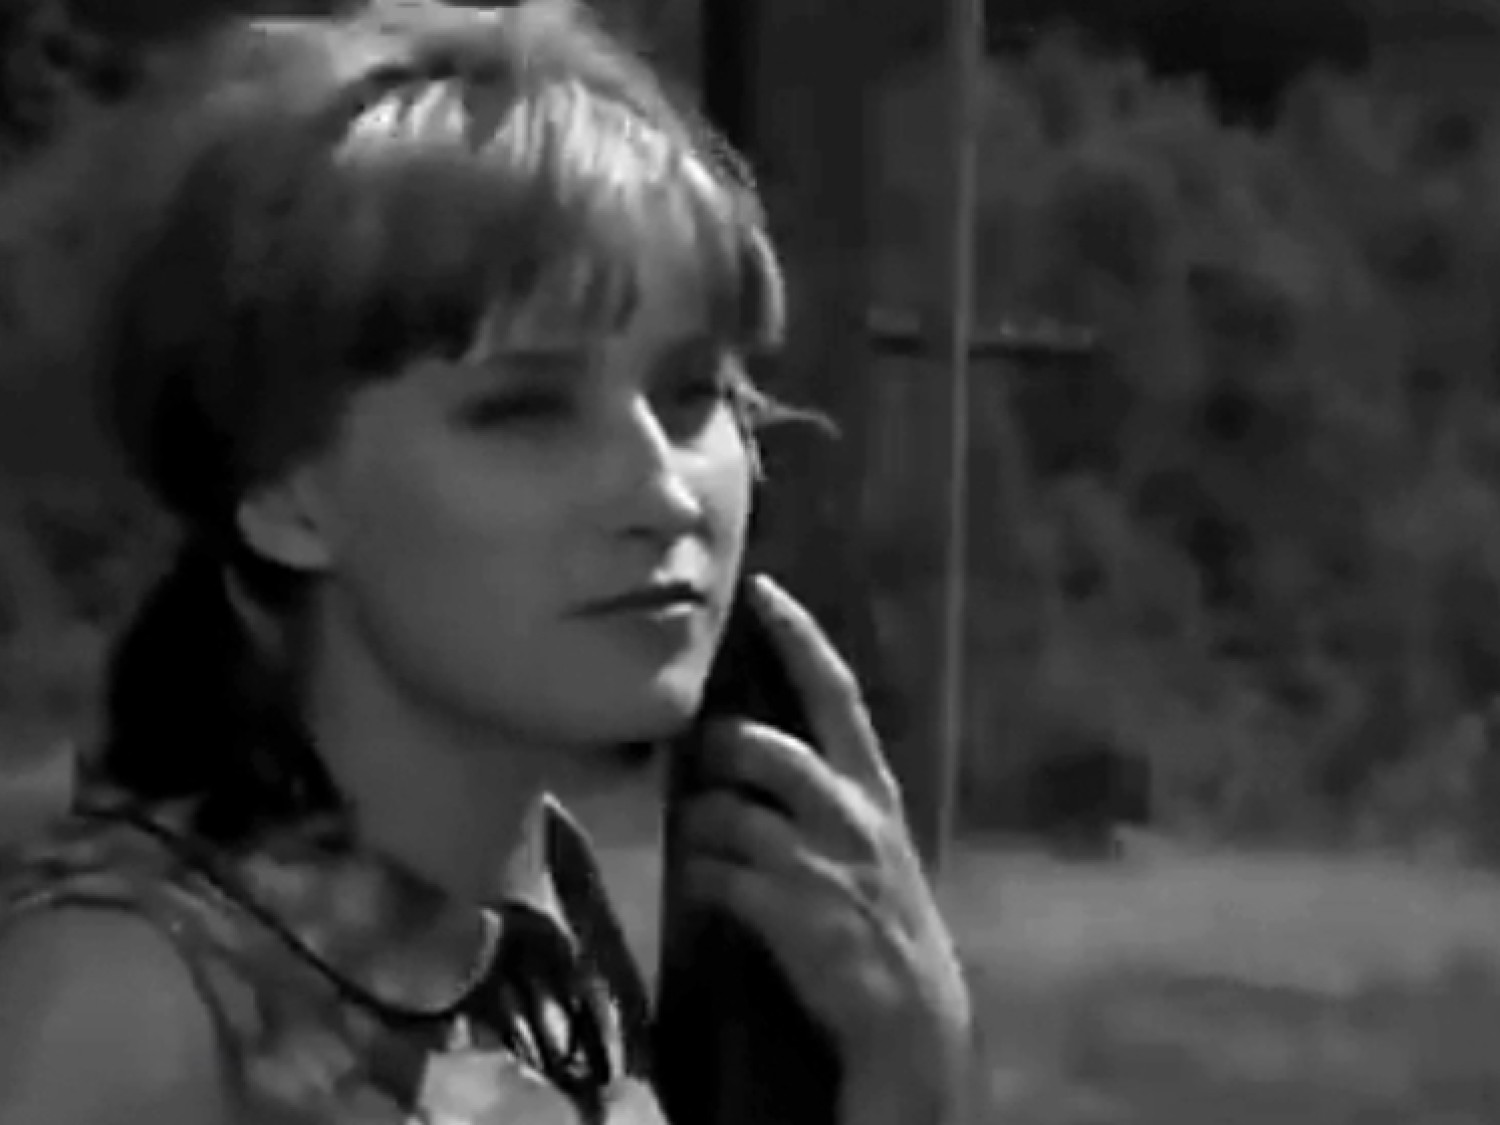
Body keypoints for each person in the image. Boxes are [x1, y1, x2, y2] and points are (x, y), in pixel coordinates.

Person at [0, 2, 973, 1123]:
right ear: (282, 492)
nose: (664, 493)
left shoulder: (545, 926)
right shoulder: (121, 1004)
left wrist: (908, 1072)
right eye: (526, 412)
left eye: (692, 392)